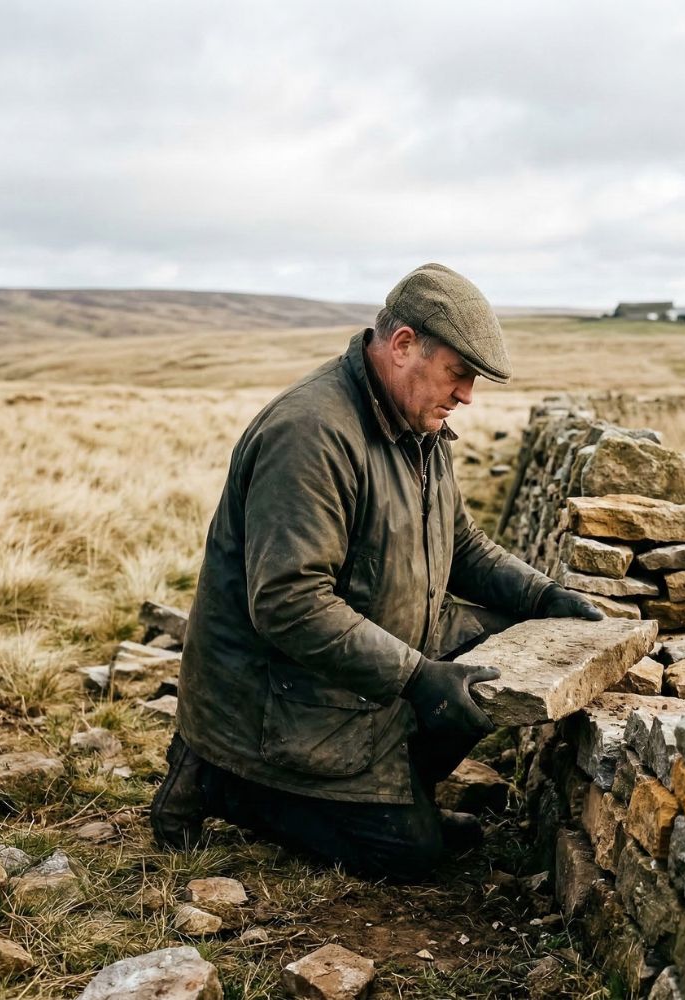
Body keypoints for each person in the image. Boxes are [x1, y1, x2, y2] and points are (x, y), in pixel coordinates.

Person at [150, 263, 602, 880]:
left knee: (503, 644)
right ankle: (223, 781)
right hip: (275, 703)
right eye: (458, 374)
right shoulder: (310, 435)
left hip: (359, 678)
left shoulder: (418, 424)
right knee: (414, 857)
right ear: (403, 345)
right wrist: (420, 679)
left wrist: (543, 596)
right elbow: (290, 602)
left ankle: (393, 785)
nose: (467, 395)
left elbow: (460, 545)